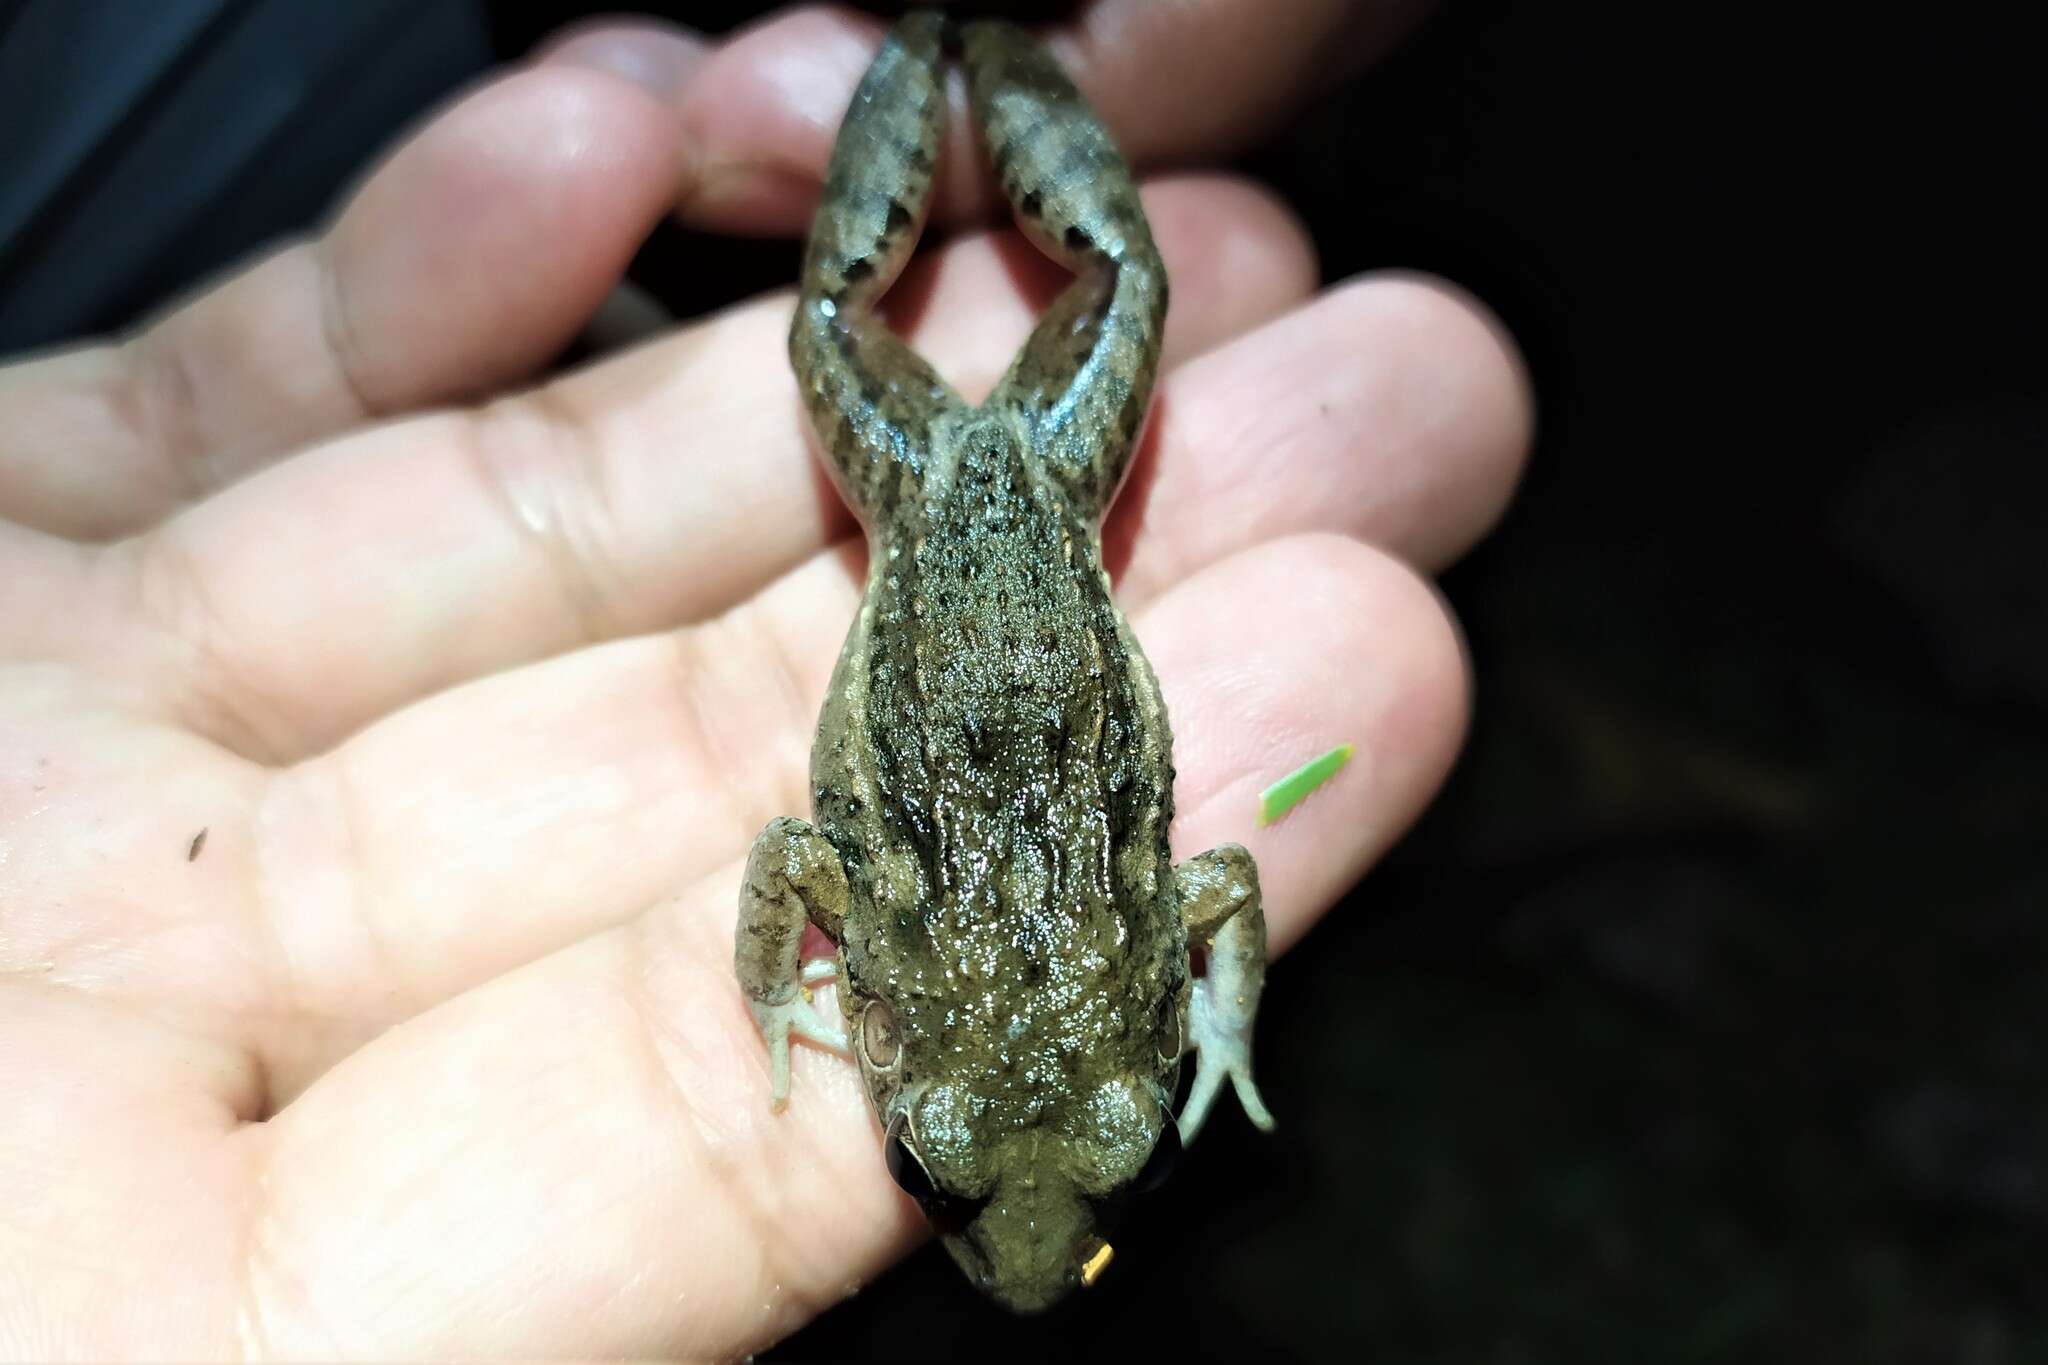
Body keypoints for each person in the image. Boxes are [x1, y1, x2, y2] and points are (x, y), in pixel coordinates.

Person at [0, 3, 1530, 1356]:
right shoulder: (1031, 960)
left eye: (946, 1164)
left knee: (891, 308)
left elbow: (871, 864)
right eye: (932, 1170)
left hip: (961, 491)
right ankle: (962, 50)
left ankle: (963, 50)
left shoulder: (953, 967)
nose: (1021, 1238)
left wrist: (784, 991)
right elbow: (1204, 894)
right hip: (1005, 491)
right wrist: (1221, 1023)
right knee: (1041, 286)